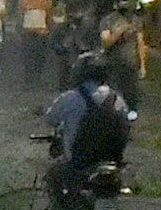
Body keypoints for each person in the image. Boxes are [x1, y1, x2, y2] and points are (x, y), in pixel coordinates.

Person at [41, 49, 134, 200]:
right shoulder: (117, 99)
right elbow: (126, 122)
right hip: (112, 161)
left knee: (54, 174)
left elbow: (51, 118)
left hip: (79, 162)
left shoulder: (70, 98)